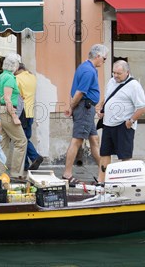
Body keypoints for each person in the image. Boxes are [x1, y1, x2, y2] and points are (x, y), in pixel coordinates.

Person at [62, 44, 108, 185]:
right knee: (77, 140)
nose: (104, 61)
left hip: (87, 108)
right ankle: (67, 174)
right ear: (98, 56)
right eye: (104, 59)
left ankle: (105, 173)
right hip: (85, 108)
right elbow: (79, 92)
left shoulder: (85, 67)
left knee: (94, 140)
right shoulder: (89, 71)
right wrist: (71, 107)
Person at [98, 60, 145, 182]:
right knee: (104, 153)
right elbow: (108, 96)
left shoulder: (134, 85)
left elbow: (142, 107)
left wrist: (131, 121)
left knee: (125, 156)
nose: (115, 76)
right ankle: (101, 181)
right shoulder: (111, 81)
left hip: (123, 125)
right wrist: (102, 108)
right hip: (108, 124)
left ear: (127, 72)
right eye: (114, 72)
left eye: (118, 73)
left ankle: (126, 182)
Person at [0, 54, 27, 179]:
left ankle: (2, 174)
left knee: (4, 144)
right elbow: (7, 98)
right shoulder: (9, 78)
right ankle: (16, 173)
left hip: (0, 111)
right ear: (14, 65)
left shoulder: (0, 77)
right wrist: (14, 116)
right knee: (21, 141)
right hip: (8, 112)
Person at [15, 63, 44, 171]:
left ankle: (35, 157)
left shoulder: (16, 78)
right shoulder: (32, 77)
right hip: (30, 112)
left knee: (23, 140)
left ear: (17, 69)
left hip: (21, 112)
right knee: (25, 138)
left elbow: (16, 95)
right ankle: (25, 165)